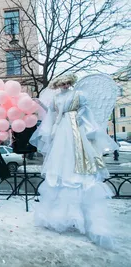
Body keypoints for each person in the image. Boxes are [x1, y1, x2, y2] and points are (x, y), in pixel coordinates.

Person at [30, 73, 118, 248]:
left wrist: (81, 118)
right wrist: (49, 125)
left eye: (67, 83)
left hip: (75, 130)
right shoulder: (56, 99)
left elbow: (86, 110)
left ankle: (87, 219)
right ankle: (57, 216)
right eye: (62, 84)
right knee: (60, 165)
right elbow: (52, 116)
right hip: (61, 129)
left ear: (70, 83)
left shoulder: (79, 95)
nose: (64, 86)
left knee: (78, 164)